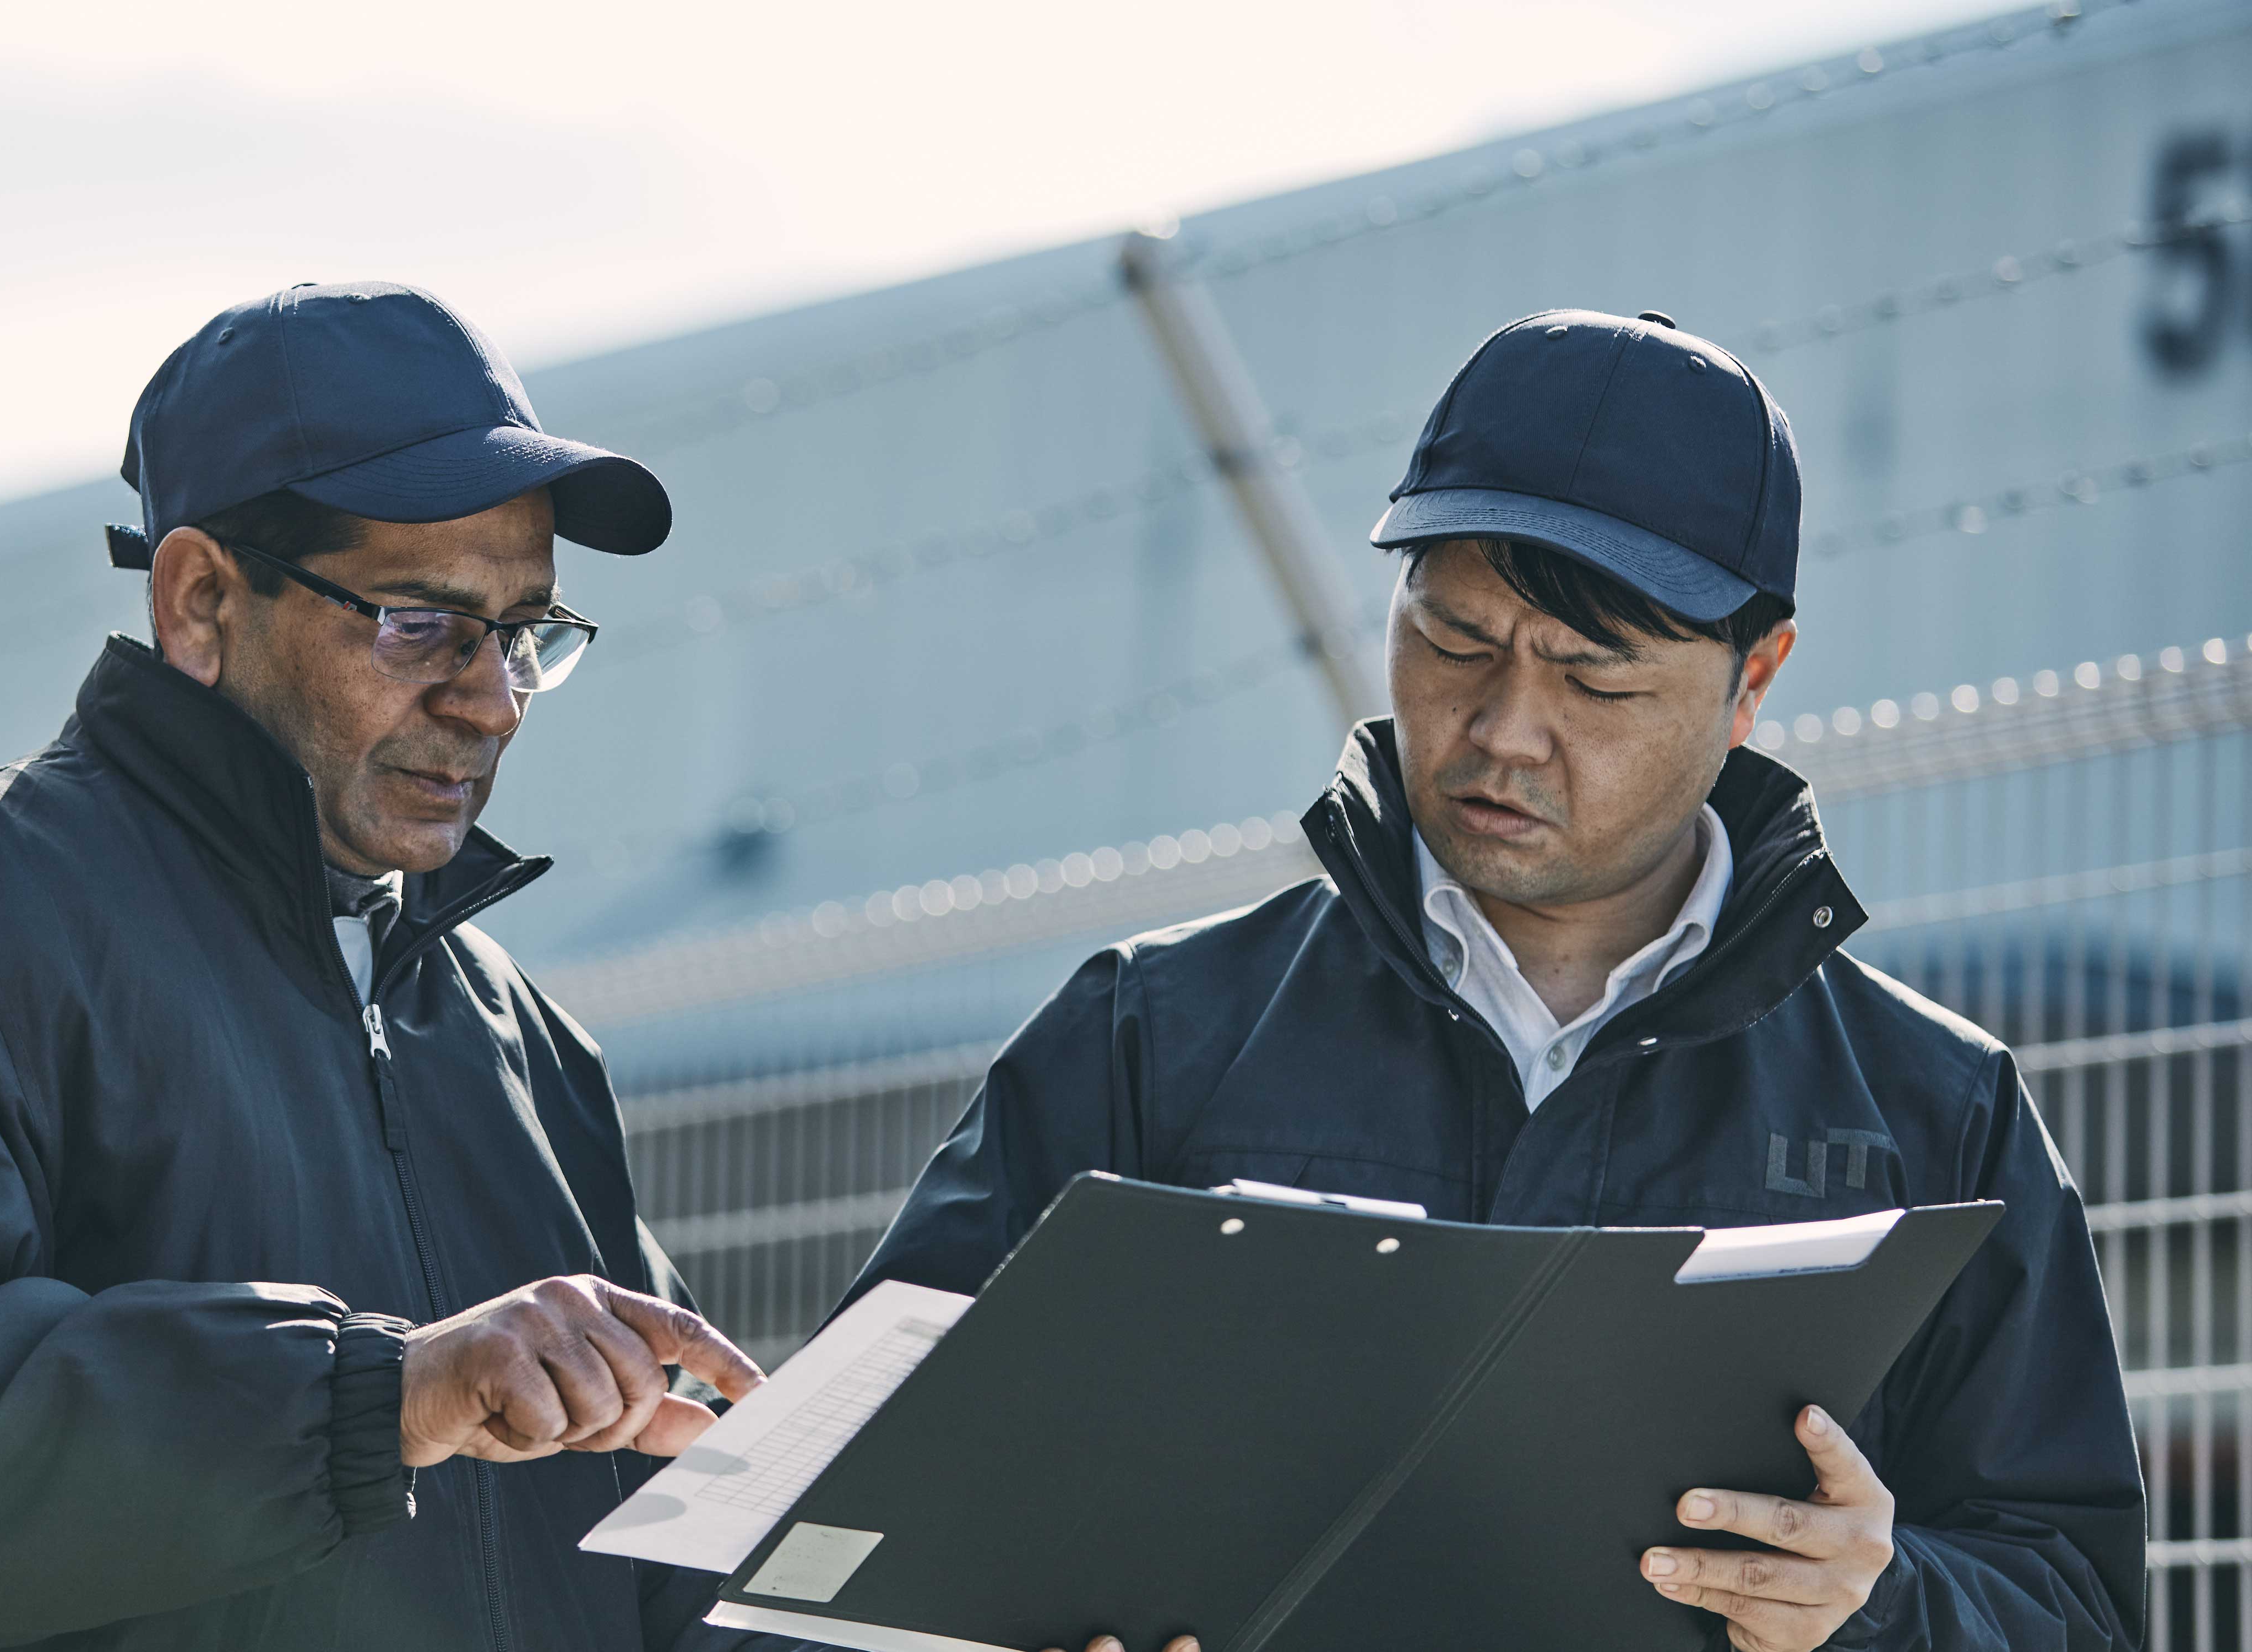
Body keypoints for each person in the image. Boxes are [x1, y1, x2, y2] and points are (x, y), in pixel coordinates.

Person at [850, 310, 2144, 1652]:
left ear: (1754, 679)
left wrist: (1876, 1607)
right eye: (1457, 641)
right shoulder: (1146, 1036)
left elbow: (2072, 1606)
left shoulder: (1938, 1116)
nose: (1503, 730)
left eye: (1594, 676)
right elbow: (828, 1533)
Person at [0, 281, 779, 1651]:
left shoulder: (519, 1039)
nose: (487, 698)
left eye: (524, 634)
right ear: (200, 601)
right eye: (422, 622)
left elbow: (647, 1567)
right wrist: (381, 1396)